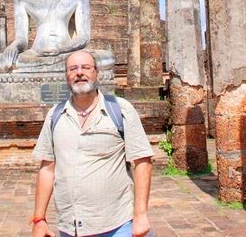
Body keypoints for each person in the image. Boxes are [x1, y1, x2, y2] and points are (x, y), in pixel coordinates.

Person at [31, 50, 154, 237]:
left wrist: (141, 214)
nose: (79, 73)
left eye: (86, 67)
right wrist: (39, 219)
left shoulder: (120, 110)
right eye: (73, 68)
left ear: (97, 73)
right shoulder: (55, 115)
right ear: (66, 76)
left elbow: (142, 161)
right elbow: (47, 168)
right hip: (71, 226)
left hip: (117, 224)